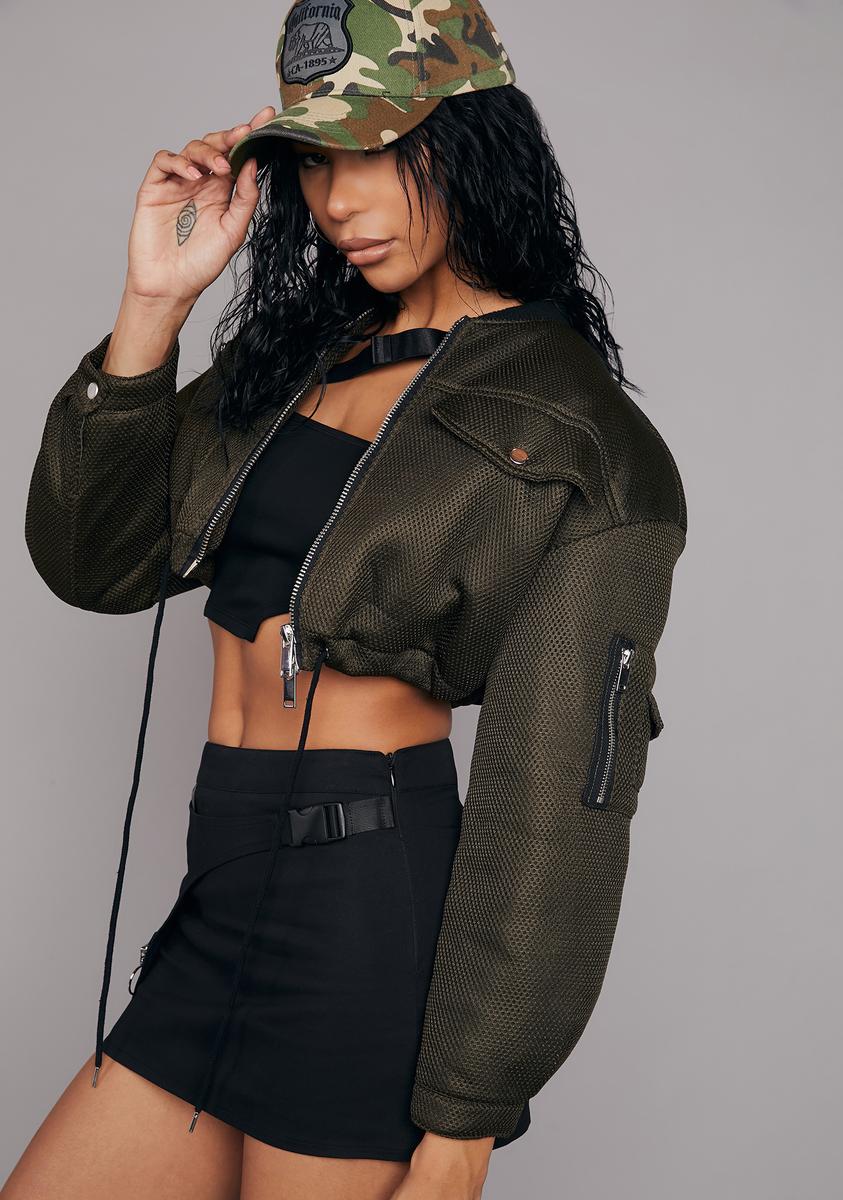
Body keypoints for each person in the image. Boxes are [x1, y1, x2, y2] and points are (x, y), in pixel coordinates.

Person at [7, 2, 687, 1198]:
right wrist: (154, 306)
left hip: (361, 921)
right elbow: (93, 562)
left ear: (472, 142)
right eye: (315, 162)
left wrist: (465, 1125)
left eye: (377, 152)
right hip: (218, 893)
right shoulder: (299, 356)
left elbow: (555, 805)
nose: (337, 200)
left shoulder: (580, 437)